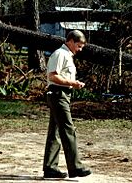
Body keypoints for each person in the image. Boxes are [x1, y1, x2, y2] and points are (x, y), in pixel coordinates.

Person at [43, 30, 92, 179]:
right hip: (58, 94)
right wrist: (73, 83)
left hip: (62, 95)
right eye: (79, 46)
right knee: (68, 130)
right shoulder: (60, 54)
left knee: (55, 132)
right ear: (70, 41)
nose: (80, 49)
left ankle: (50, 168)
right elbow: (53, 76)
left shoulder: (67, 56)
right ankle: (75, 167)